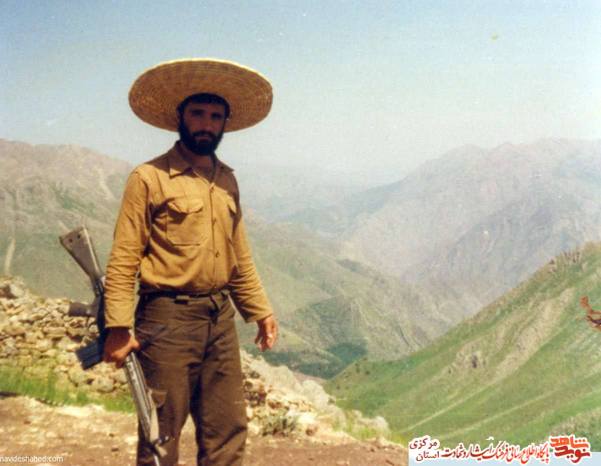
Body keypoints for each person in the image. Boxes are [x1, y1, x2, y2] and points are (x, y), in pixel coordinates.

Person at [101, 58, 278, 466]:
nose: (206, 124)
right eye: (197, 113)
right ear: (180, 118)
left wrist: (260, 310)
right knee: (160, 434)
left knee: (228, 429)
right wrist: (118, 326)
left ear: (224, 124)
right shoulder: (149, 178)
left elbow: (239, 256)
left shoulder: (227, 179)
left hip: (220, 319)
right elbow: (124, 257)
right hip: (167, 321)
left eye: (215, 116)